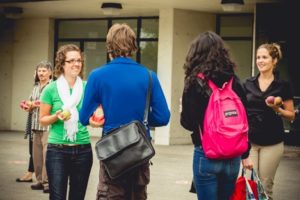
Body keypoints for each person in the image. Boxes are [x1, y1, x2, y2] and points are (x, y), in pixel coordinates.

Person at [79, 23, 170, 199]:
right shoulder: (149, 75)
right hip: (139, 151)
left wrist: (100, 117)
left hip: (112, 153)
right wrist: (138, 121)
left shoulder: (97, 76)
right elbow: (163, 116)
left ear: (109, 46)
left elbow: (83, 117)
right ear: (134, 46)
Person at [180, 31, 253, 200]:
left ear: (195, 54)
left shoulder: (194, 82)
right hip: (233, 155)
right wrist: (245, 152)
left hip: (206, 154)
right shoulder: (234, 80)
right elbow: (245, 117)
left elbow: (188, 123)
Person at [39, 44, 93, 200]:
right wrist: (56, 116)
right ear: (62, 64)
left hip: (83, 150)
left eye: (79, 60)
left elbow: (92, 116)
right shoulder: (51, 89)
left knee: (78, 197)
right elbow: (43, 120)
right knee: (57, 197)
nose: (76, 64)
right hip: (57, 151)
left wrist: (96, 119)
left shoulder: (87, 87)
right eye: (71, 61)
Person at [243, 43, 295, 200]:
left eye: (264, 57)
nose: (260, 60)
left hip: (272, 143)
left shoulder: (283, 85)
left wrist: (277, 109)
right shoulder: (247, 84)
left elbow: (291, 115)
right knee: (249, 186)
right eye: (258, 57)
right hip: (249, 142)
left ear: (274, 60)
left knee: (265, 187)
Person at [19, 61, 52, 193]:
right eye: (39, 71)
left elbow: (52, 104)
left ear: (50, 72)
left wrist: (36, 104)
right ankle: (39, 180)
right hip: (35, 125)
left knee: (47, 155)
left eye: (44, 71)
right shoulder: (36, 87)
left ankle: (48, 183)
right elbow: (30, 102)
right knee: (36, 156)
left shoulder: (53, 86)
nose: (41, 73)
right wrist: (27, 105)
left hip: (47, 127)